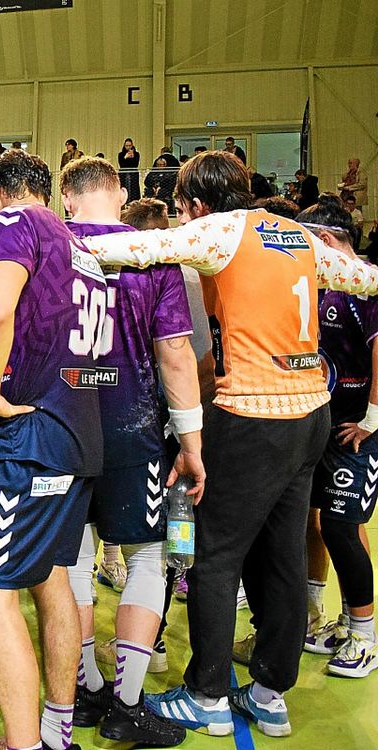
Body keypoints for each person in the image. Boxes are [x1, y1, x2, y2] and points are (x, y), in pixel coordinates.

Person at [80, 151, 378, 738]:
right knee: (284, 556)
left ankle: (208, 693)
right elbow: (365, 279)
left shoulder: (219, 231)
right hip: (311, 413)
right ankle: (270, 693)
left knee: (215, 555)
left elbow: (133, 249)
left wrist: (53, 239)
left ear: (193, 203)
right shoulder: (299, 234)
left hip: (250, 416)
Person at [0, 150, 111, 750]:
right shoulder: (80, 247)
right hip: (82, 432)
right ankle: (55, 732)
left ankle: (24, 746)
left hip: (29, 437)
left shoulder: (13, 222)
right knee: (52, 579)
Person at [59, 158, 200, 748]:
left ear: (67, 197)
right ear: (120, 191)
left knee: (74, 559)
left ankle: (87, 688)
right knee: (147, 558)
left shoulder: (49, 247)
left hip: (62, 426)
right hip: (132, 427)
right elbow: (175, 354)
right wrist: (192, 442)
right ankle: (128, 701)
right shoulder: (154, 252)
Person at [289, 198, 378, 680]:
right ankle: (327, 618)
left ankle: (364, 636)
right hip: (327, 420)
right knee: (319, 523)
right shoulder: (323, 285)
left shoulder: (366, 282)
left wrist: (372, 419)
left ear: (323, 241)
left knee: (343, 528)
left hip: (359, 430)